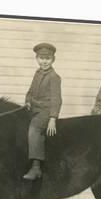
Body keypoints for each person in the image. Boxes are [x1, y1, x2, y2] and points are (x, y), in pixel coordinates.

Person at [23, 42, 62, 180]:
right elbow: (30, 91)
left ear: (53, 60)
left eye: (48, 58)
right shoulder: (37, 73)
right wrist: (27, 101)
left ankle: (36, 167)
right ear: (37, 58)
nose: (44, 61)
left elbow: (56, 99)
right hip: (33, 108)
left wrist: (52, 118)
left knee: (34, 129)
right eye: (41, 58)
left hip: (44, 111)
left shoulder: (54, 77)